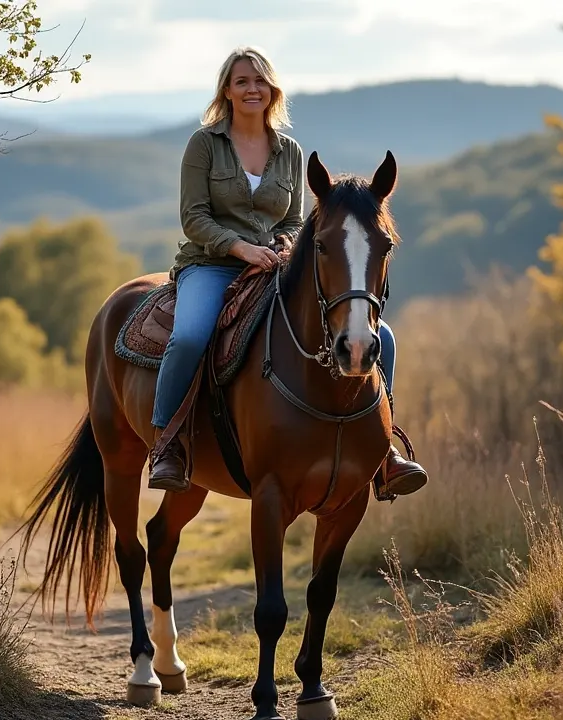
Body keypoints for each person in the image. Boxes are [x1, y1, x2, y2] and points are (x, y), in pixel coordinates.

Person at [147, 46, 427, 502]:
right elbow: (193, 217)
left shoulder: (290, 151)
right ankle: (168, 445)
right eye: (241, 82)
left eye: (259, 81)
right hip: (212, 263)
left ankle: (384, 453)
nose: (251, 89)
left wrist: (279, 247)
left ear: (272, 89)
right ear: (227, 91)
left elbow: (296, 222)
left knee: (385, 339)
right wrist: (240, 247)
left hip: (275, 264)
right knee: (190, 337)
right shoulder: (204, 145)